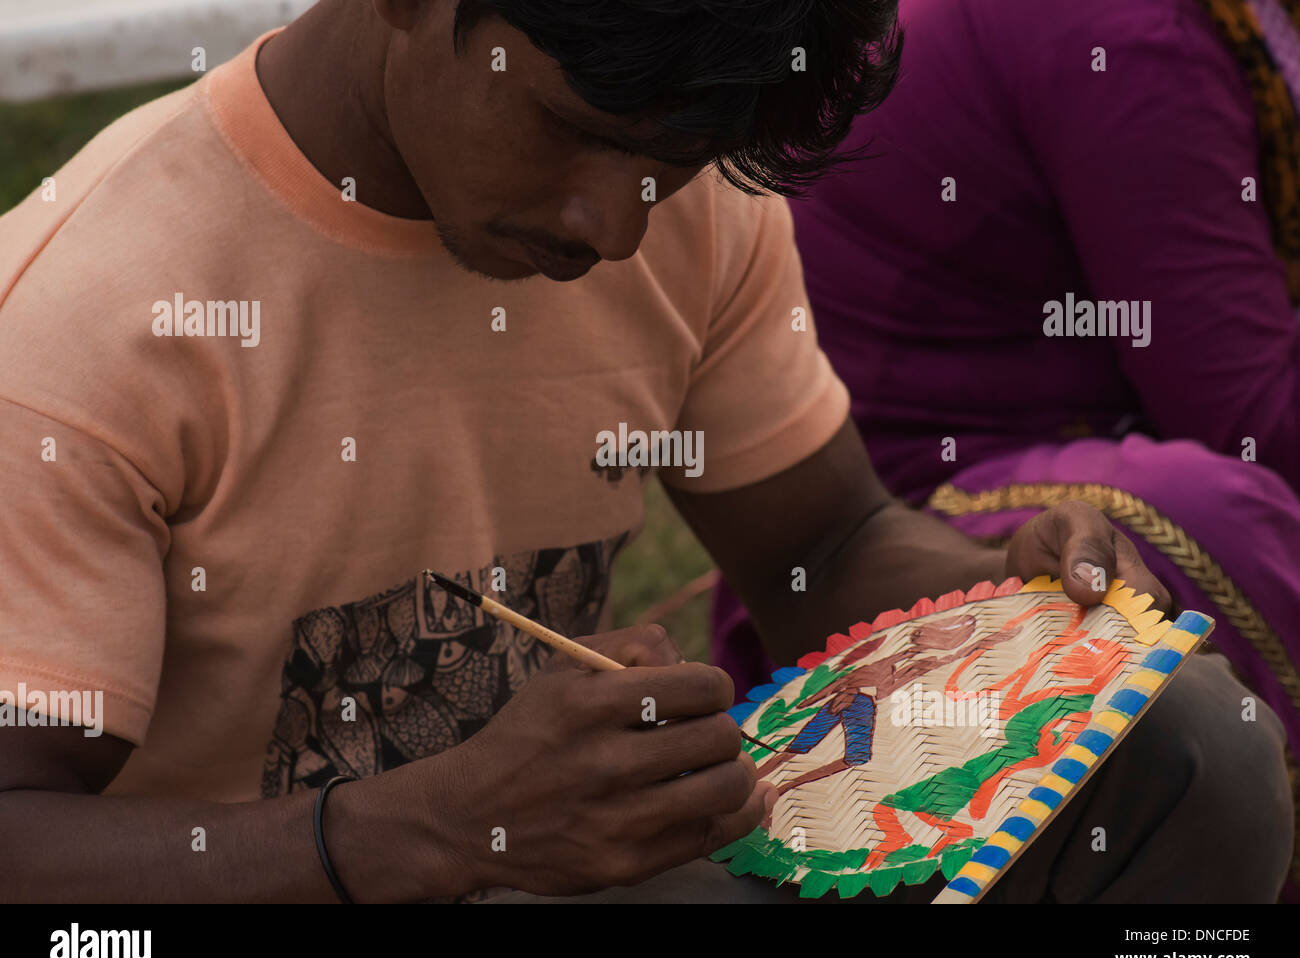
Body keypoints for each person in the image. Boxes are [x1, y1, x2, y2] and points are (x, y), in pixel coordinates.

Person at [0, 0, 1289, 904]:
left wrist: (1004, 621)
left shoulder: (691, 211)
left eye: (668, 164)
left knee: (1185, 751)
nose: (612, 227)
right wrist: (429, 830)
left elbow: (821, 547)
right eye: (573, 128)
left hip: (575, 875)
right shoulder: (89, 323)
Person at [710, 0, 1300, 895]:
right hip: (904, 500)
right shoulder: (1123, 30)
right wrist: (998, 571)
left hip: (1063, 445)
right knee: (1206, 518)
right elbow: (1250, 410)